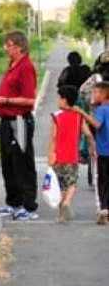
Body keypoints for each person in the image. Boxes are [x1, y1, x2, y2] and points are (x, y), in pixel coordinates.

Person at [0, 32, 39, 221]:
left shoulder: (26, 67)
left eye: (9, 45)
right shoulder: (12, 66)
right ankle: (13, 202)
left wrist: (6, 100)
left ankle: (28, 205)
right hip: (6, 121)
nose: (6, 48)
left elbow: (29, 99)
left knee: (22, 163)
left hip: (19, 120)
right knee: (8, 163)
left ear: (19, 47)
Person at [48, 85, 95, 224]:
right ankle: (67, 202)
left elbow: (53, 138)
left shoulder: (56, 116)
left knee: (60, 186)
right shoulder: (78, 117)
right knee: (72, 183)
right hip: (72, 157)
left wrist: (51, 154)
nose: (57, 100)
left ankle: (62, 216)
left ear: (64, 100)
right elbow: (88, 134)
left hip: (58, 157)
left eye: (59, 98)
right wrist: (93, 148)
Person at [73, 82, 109, 224]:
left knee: (103, 181)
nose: (93, 95)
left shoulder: (102, 110)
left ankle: (104, 209)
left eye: (95, 92)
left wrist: (82, 113)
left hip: (104, 151)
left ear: (103, 94)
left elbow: (97, 124)